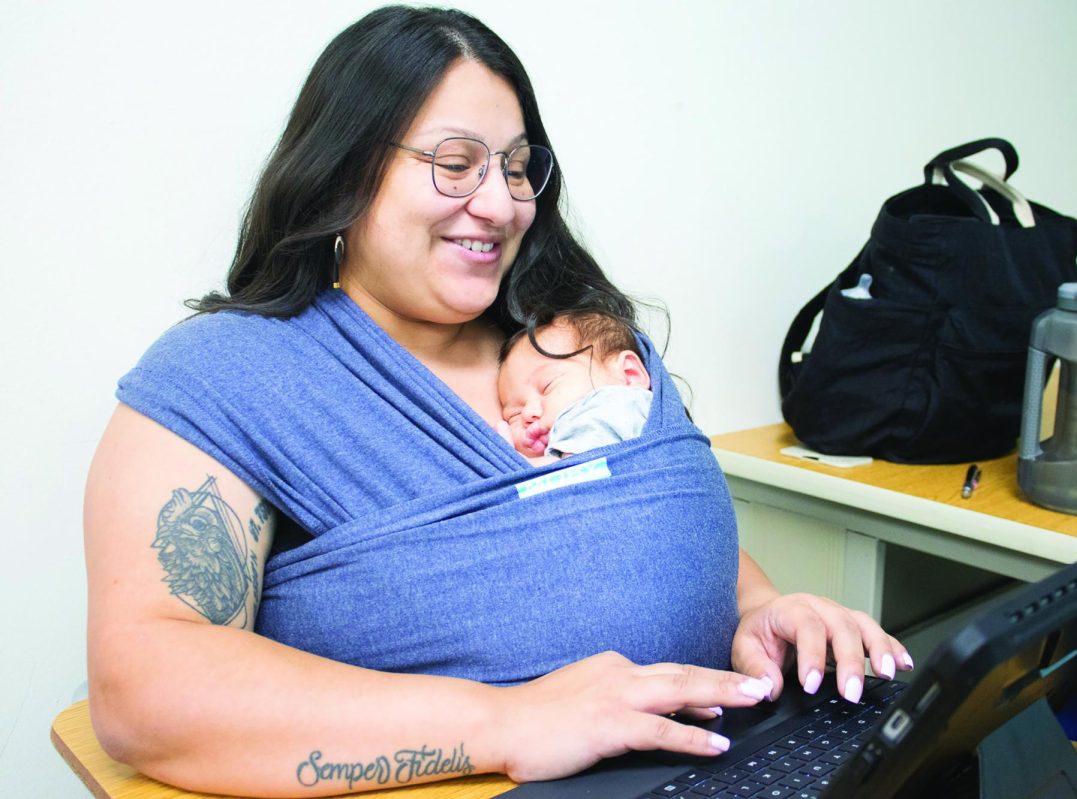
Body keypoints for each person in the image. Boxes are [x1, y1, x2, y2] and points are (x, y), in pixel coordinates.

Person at [83, 6, 912, 797]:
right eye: (456, 163)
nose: (501, 203)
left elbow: (640, 522)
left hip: (724, 758)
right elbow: (146, 685)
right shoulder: (230, 375)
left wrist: (762, 608)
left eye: (517, 166)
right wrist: (506, 721)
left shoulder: (570, 338)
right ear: (344, 167)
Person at [496, 312, 653, 462]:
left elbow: (583, 471)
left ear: (629, 374)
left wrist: (521, 467)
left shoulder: (612, 404)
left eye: (547, 386)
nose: (528, 413)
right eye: (513, 415)